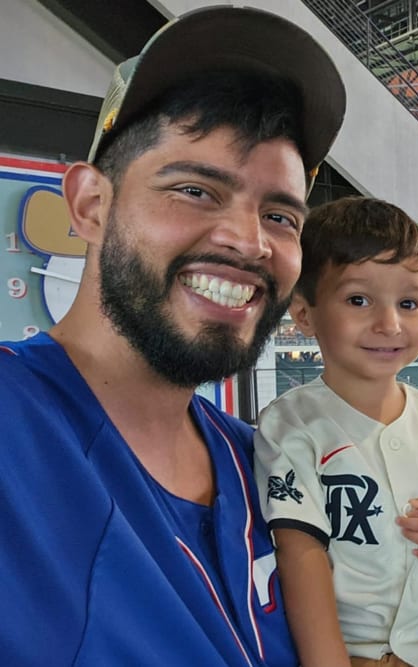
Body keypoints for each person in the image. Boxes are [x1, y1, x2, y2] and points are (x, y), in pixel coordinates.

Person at [0, 7, 345, 665]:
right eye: (195, 189)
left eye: (279, 214)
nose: (249, 242)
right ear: (90, 205)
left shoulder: (264, 462)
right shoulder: (13, 424)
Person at [254, 197, 418, 667]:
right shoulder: (289, 425)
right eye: (359, 300)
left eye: (409, 303)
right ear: (304, 314)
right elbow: (301, 557)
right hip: (350, 651)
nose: (390, 324)